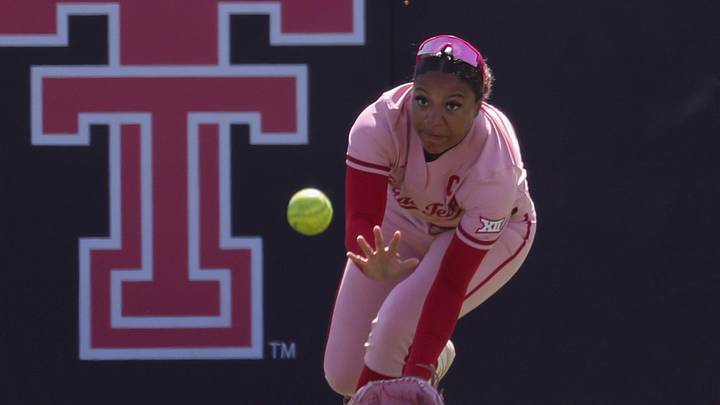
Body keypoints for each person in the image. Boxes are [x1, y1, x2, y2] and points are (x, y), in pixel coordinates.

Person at [323, 34, 537, 399]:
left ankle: (425, 358)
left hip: (493, 233)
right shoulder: (379, 124)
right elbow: (362, 217)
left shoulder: (495, 167)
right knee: (343, 374)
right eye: (422, 100)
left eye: (453, 105)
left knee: (395, 328)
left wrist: (418, 371)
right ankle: (437, 355)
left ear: (478, 106)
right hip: (404, 220)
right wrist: (368, 256)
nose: (433, 119)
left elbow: (451, 284)